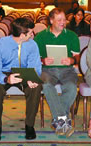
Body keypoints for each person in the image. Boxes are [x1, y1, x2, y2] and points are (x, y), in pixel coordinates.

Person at [0, 17, 42, 141]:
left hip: (24, 72)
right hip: (4, 72)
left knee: (36, 87)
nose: (33, 34)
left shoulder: (32, 44)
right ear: (22, 35)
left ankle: (29, 125)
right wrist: (6, 79)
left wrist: (31, 77)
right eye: (30, 33)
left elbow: (36, 66)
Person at [34, 8, 80, 137]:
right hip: (47, 70)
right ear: (51, 20)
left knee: (71, 88)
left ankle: (59, 120)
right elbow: (33, 58)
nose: (63, 22)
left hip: (67, 70)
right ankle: (63, 120)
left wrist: (71, 60)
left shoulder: (72, 36)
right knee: (47, 85)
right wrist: (43, 60)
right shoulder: (41, 36)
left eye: (64, 19)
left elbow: (77, 57)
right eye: (59, 19)